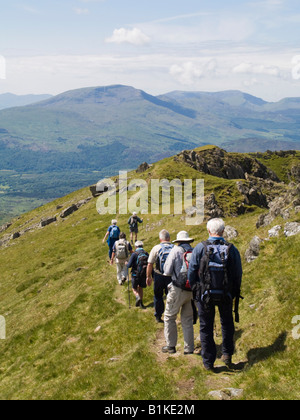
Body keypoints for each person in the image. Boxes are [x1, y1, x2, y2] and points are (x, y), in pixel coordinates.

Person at [188, 218, 243, 371]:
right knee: (227, 323)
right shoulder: (231, 249)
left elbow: (192, 270)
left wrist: (195, 287)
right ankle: (227, 354)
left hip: (204, 294)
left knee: (206, 327)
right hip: (225, 293)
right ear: (223, 231)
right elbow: (238, 272)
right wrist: (234, 291)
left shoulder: (200, 248)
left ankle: (208, 362)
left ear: (208, 231)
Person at [162, 231, 195, 355]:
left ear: (178, 241)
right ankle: (189, 348)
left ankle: (171, 345)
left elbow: (167, 270)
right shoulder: (194, 251)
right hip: (191, 290)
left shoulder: (176, 251)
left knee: (169, 316)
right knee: (187, 319)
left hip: (177, 289)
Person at [146, 230, 174, 323]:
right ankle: (170, 315)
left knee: (158, 296)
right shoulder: (175, 248)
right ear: (169, 238)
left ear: (160, 238)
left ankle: (158, 315)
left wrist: (148, 276)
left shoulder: (156, 248)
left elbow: (150, 264)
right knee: (170, 295)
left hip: (158, 275)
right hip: (171, 275)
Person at [127, 241, 149, 309]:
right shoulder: (146, 253)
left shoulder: (134, 254)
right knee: (140, 287)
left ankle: (137, 296)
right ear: (142, 246)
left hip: (135, 274)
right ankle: (141, 303)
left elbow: (129, 265)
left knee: (134, 288)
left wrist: (126, 263)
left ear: (136, 247)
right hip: (143, 274)